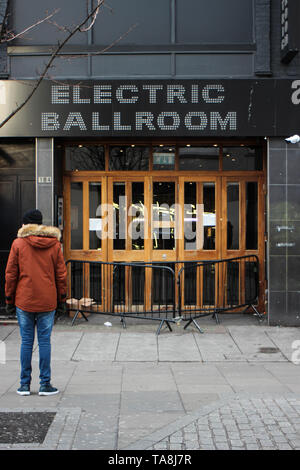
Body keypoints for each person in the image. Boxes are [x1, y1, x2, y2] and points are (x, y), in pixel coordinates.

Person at [5, 209, 67, 396]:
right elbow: (61, 275)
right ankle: (45, 384)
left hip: (24, 300)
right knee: (44, 341)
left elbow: (10, 275)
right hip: (47, 300)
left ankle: (24, 384)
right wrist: (62, 298)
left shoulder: (18, 244)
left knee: (26, 342)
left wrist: (9, 299)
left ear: (26, 225)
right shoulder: (54, 245)